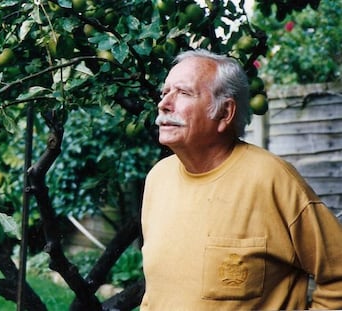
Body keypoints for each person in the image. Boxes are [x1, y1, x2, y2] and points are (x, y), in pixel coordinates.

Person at [140, 49, 342, 310]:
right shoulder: (158, 178)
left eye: (184, 93)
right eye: (165, 92)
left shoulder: (272, 179)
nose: (164, 104)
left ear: (225, 113)